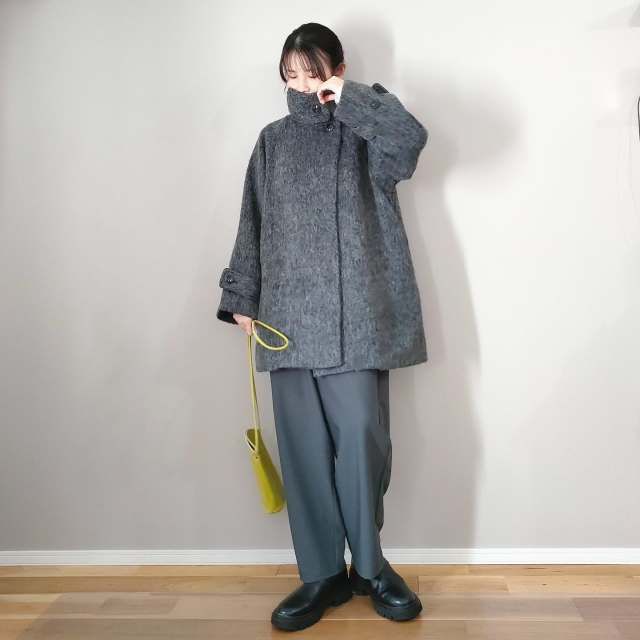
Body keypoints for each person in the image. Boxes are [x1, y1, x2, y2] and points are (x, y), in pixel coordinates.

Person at [216, 22, 429, 631]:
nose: (302, 84)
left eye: (313, 72)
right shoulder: (272, 142)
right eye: (292, 73)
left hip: (358, 315)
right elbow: (252, 220)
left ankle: (371, 568)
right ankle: (321, 575)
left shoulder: (367, 131)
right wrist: (241, 295)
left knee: (362, 439)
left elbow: (410, 143)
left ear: (337, 69)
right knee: (304, 450)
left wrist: (351, 100)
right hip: (285, 319)